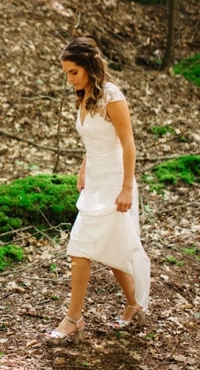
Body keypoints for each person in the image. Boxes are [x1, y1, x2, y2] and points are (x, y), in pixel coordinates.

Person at [45, 38, 152, 343]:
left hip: (116, 183)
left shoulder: (112, 97)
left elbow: (128, 142)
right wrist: (83, 169)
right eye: (66, 73)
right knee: (112, 247)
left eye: (74, 71)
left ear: (90, 67)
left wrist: (127, 188)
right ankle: (134, 304)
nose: (70, 78)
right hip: (95, 182)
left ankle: (73, 318)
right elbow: (94, 140)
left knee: (79, 249)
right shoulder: (84, 95)